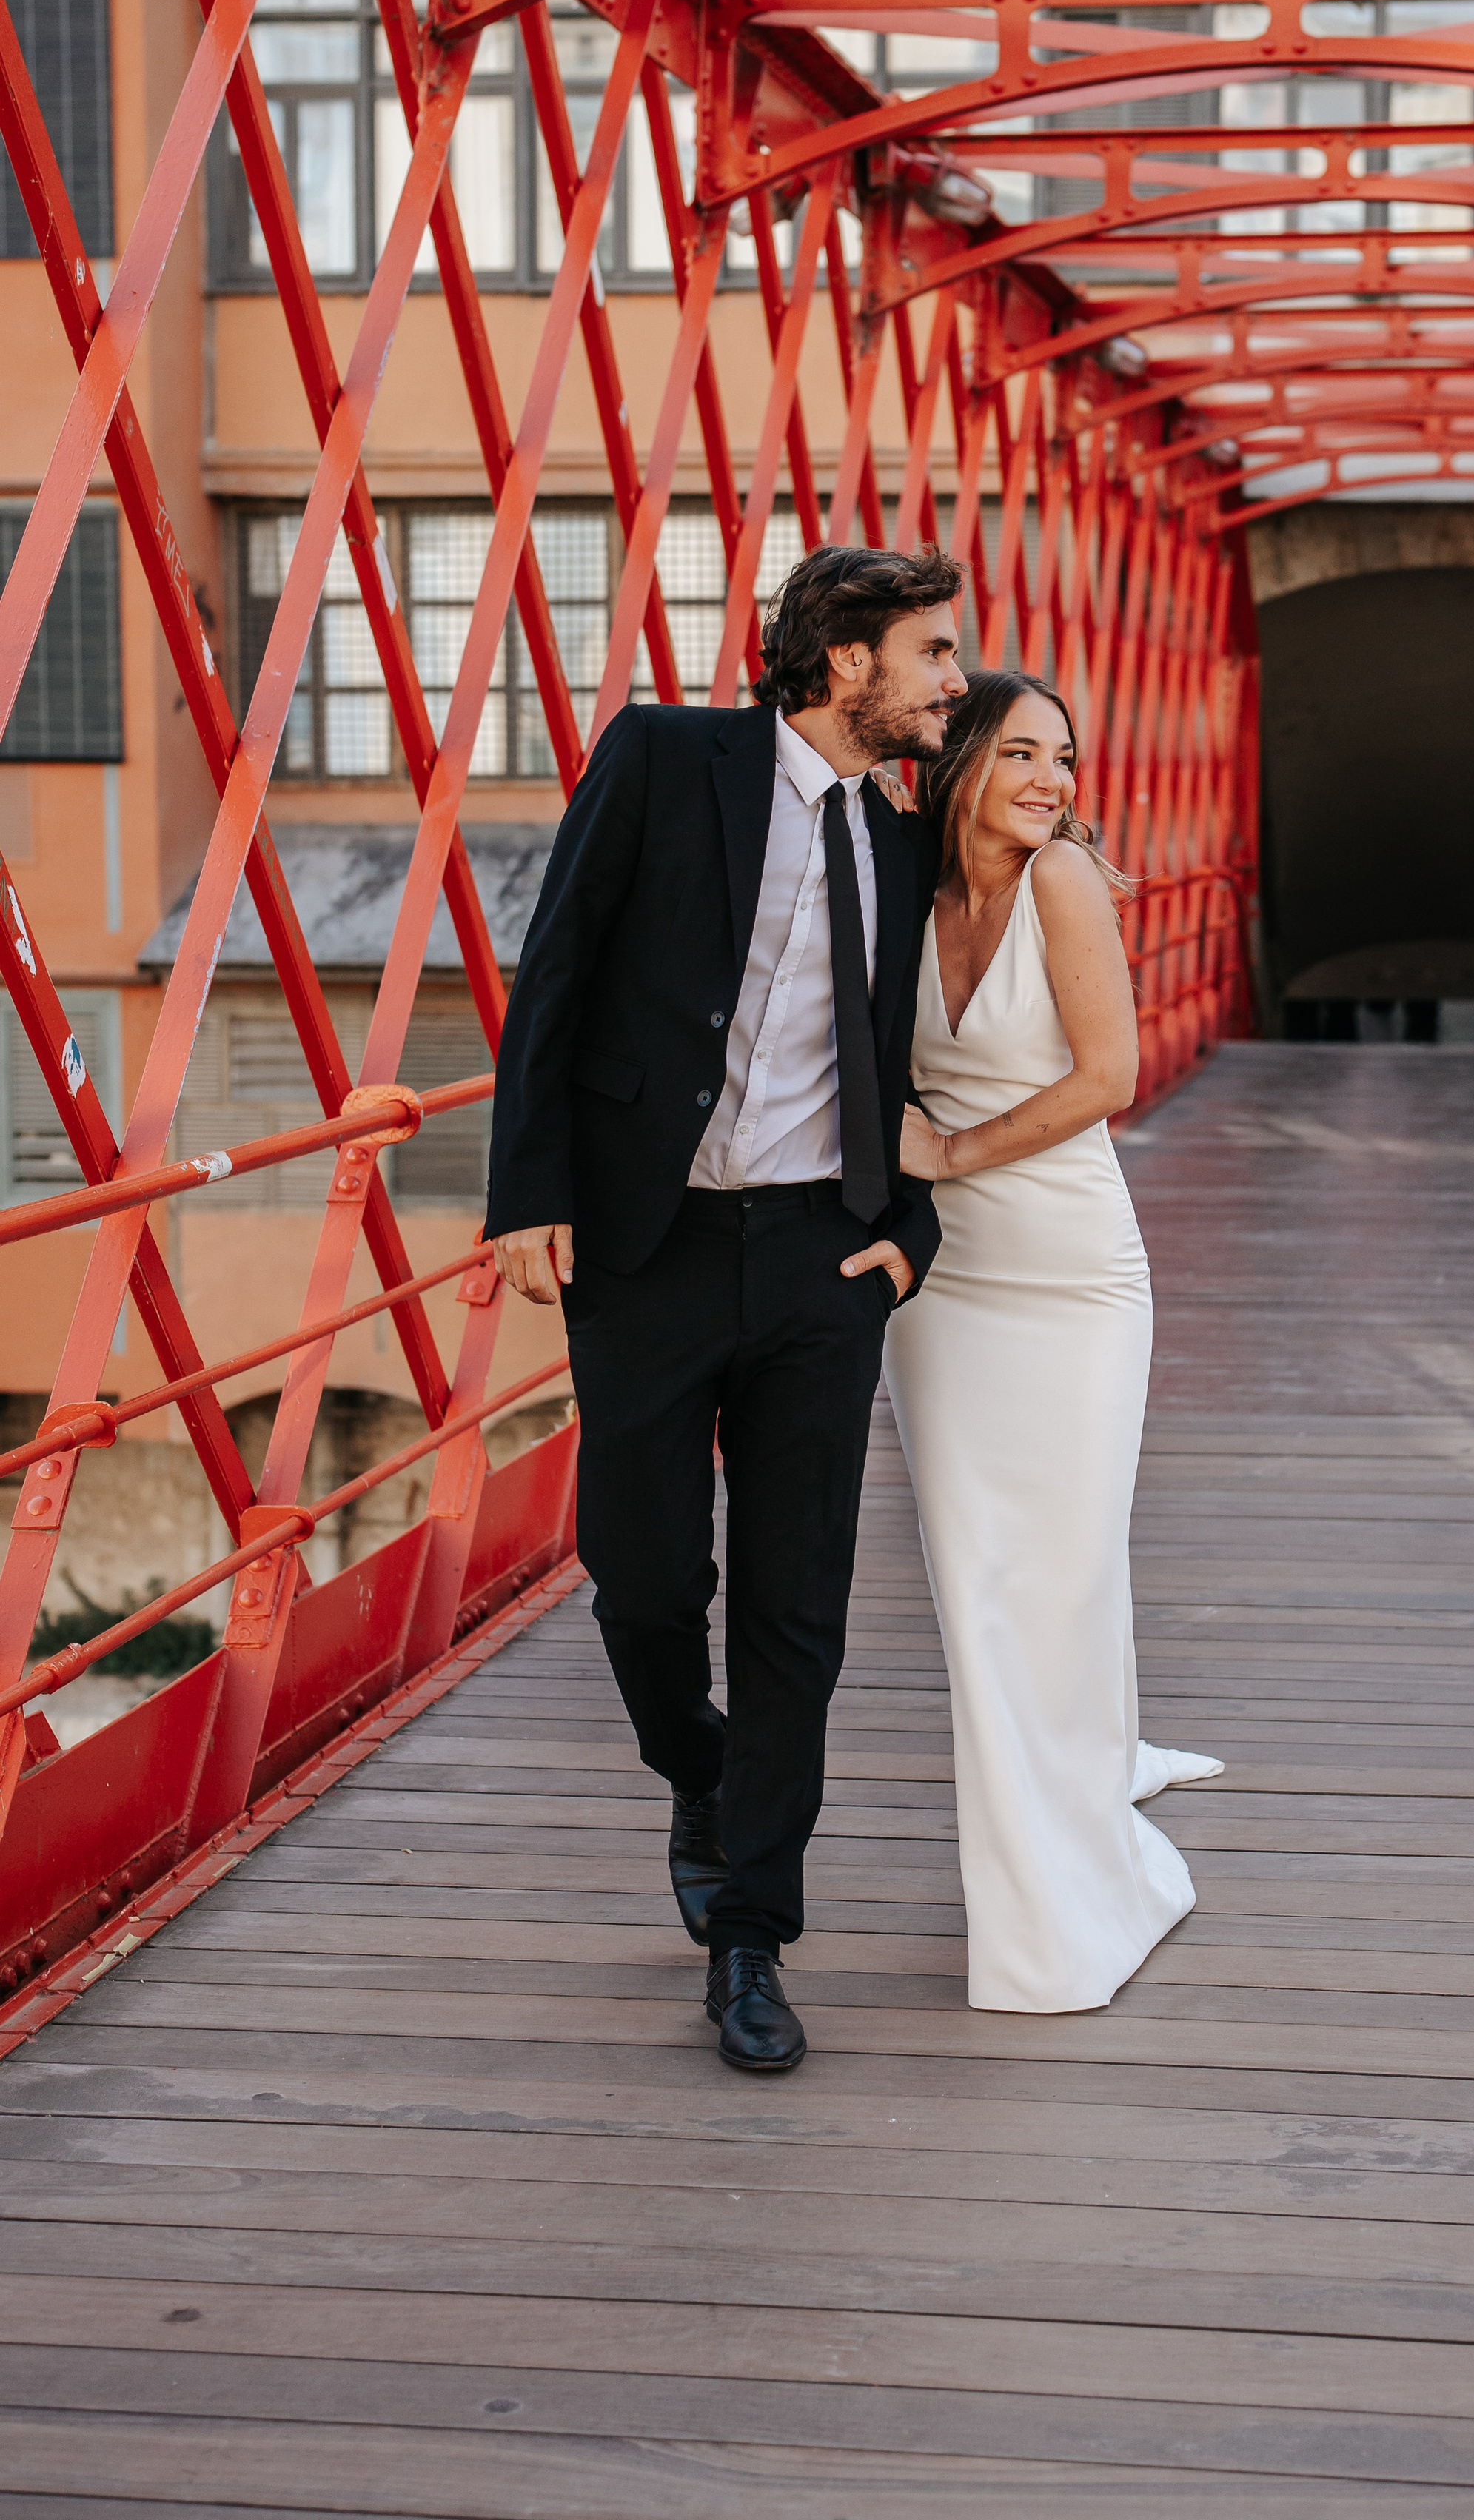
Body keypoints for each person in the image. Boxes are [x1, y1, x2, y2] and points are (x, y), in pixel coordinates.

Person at [485, 543, 966, 2075]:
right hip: (652, 1246)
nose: (953, 682)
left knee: (794, 1610)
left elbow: (914, 1060)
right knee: (638, 1579)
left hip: (823, 1259)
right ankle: (698, 1769)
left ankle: (751, 1934)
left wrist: (905, 1233)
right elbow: (555, 974)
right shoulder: (660, 758)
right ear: (847, 661)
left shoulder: (903, 837)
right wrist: (524, 1191)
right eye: (933, 653)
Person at [885, 670, 1222, 2014]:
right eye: (1022, 752)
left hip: (1072, 1274)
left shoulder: (1063, 881)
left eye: (1064, 758)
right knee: (980, 1588)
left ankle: (1076, 1891)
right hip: (944, 1290)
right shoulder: (899, 882)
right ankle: (1033, 1887)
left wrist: (949, 1153)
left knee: (1066, 1574)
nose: (1052, 781)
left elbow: (1108, 1078)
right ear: (958, 755)